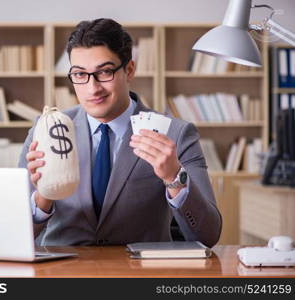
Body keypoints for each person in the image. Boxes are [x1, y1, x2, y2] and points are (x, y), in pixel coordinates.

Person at [18, 18, 222, 247]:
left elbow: (208, 235)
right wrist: (43, 196)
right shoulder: (44, 129)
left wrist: (175, 178)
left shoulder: (176, 133)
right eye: (79, 74)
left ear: (129, 69)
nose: (92, 88)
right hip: (63, 269)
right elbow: (15, 232)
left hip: (139, 272)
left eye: (105, 72)